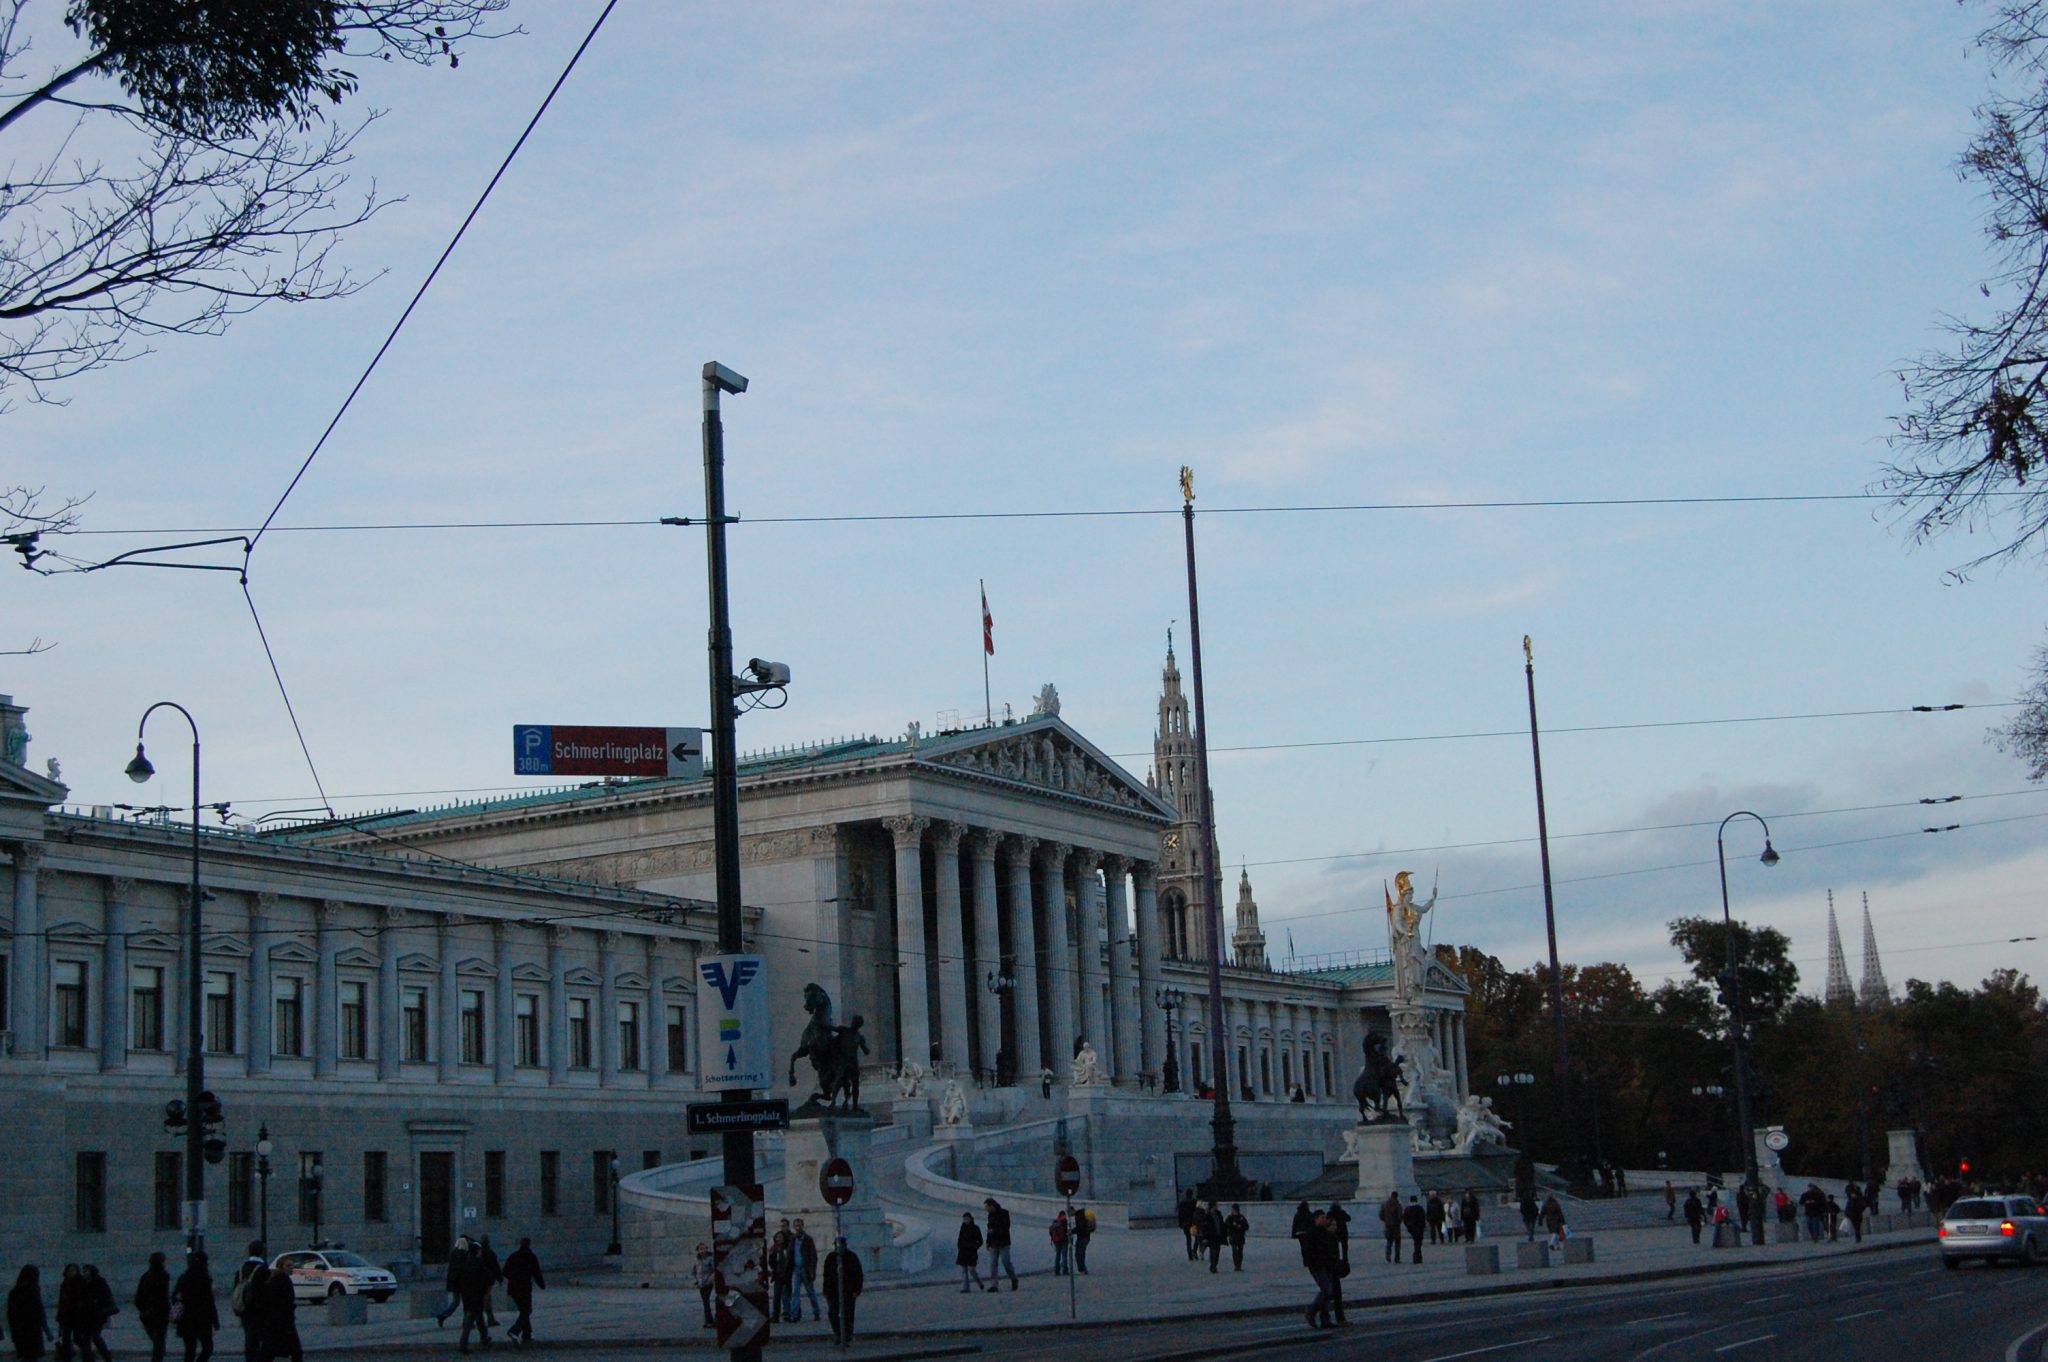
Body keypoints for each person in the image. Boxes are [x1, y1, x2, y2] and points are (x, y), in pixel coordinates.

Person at [172, 1254, 219, 1362]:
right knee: (207, 1348)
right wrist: (215, 1321)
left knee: (190, 1351)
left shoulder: (184, 1277)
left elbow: (175, 1297)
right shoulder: (205, 1278)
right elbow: (210, 1302)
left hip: (186, 1319)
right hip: (203, 1319)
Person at [1300, 1210, 1340, 1329]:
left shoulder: (1325, 1233)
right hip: (1317, 1266)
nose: (1324, 1220)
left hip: (1327, 1265)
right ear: (1316, 1219)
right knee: (1327, 1291)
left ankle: (1325, 1319)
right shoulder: (1311, 1233)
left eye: (1325, 1218)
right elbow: (1307, 1251)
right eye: (1322, 1218)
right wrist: (1312, 1262)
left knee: (1327, 1292)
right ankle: (1311, 1311)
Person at [452, 1237, 491, 1357]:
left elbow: (459, 1279)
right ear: (477, 1252)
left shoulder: (466, 1264)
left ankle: (484, 1338)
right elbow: (485, 1280)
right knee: (470, 1320)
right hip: (476, 1296)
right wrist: (484, 1293)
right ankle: (463, 1344)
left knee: (479, 1318)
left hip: (467, 1296)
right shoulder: (479, 1264)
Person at [502, 1236, 545, 1345]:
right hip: (524, 1288)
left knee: (524, 1310)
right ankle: (514, 1330)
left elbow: (505, 1271)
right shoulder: (531, 1257)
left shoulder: (513, 1256)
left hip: (513, 1288)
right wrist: (542, 1285)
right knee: (527, 1310)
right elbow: (536, 1273)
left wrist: (513, 1277)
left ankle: (527, 1334)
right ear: (529, 1245)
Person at [821, 1236, 863, 1348]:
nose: (838, 1247)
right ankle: (838, 1334)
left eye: (840, 1245)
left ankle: (847, 1336)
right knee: (833, 1313)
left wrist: (856, 1290)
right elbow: (826, 1275)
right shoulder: (830, 1257)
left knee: (848, 1314)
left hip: (848, 1291)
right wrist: (825, 1290)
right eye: (836, 1245)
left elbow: (858, 1275)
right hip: (833, 1292)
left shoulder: (852, 1257)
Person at [257, 1261, 301, 1362]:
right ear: (281, 1267)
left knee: (268, 1350)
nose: (291, 1268)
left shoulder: (273, 1279)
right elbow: (286, 1303)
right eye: (288, 1265)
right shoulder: (283, 1280)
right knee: (295, 1351)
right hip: (282, 1322)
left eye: (292, 1265)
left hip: (272, 1322)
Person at [9, 1265, 55, 1361]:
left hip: (20, 1331)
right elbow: (39, 1312)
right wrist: (47, 1331)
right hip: (32, 1331)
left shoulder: (15, 1292)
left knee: (27, 1357)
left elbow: (11, 1315)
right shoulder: (33, 1291)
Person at [229, 1247, 266, 1362]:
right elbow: (265, 1291)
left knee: (249, 1338)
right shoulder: (263, 1269)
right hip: (259, 1310)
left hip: (244, 1309)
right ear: (262, 1253)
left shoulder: (241, 1269)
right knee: (262, 1339)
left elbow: (236, 1288)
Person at [136, 1253, 173, 1362]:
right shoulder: (163, 1275)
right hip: (160, 1313)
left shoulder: (146, 1276)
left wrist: (143, 1309)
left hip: (147, 1314)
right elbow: (163, 1297)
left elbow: (138, 1297)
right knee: (159, 1343)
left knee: (157, 1341)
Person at [77, 1266, 114, 1362]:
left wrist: (96, 1302)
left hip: (97, 1314)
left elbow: (106, 1296)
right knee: (86, 1339)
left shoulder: (99, 1281)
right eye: (83, 1271)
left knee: (95, 1336)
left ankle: (106, 1356)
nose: (84, 1273)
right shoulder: (83, 1283)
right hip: (86, 1315)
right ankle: (89, 1359)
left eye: (86, 1271)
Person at [791, 1219, 822, 1321]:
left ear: (802, 1226)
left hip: (805, 1269)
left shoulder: (808, 1239)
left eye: (799, 1226)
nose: (797, 1228)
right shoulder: (793, 1239)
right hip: (796, 1269)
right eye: (796, 1226)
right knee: (795, 1292)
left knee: (810, 1292)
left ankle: (816, 1311)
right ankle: (794, 1314)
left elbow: (813, 1256)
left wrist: (812, 1271)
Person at [435, 1238, 471, 1328]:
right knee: (466, 1302)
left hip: (454, 1282)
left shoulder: (453, 1254)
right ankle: (466, 1322)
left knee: (456, 1302)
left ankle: (443, 1315)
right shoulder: (465, 1255)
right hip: (463, 1281)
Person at [983, 1198, 1017, 1290]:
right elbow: (989, 1229)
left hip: (1003, 1242)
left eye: (987, 1207)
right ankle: (994, 1285)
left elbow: (1006, 1227)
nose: (986, 1209)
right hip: (993, 1243)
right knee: (993, 1264)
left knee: (1006, 1262)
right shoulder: (990, 1215)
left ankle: (1013, 1278)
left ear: (992, 1206)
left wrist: (995, 1230)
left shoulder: (1004, 1213)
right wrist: (988, 1241)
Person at [767, 1219, 795, 1325]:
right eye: (777, 1238)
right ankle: (776, 1315)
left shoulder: (787, 1248)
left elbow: (790, 1260)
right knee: (777, 1296)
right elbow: (771, 1262)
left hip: (787, 1273)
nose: (779, 1239)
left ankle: (787, 1313)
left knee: (787, 1294)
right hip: (778, 1274)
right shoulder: (774, 1249)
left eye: (781, 1238)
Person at [53, 1266, 81, 1362]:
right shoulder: (64, 1284)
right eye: (69, 1271)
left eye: (73, 1270)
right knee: (65, 1339)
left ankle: (88, 1354)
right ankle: (67, 1358)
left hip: (76, 1315)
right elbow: (62, 1301)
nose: (71, 1273)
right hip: (66, 1316)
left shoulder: (79, 1283)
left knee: (78, 1338)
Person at [475, 1236, 503, 1328]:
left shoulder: (477, 1253)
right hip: (487, 1280)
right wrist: (499, 1278)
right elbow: (495, 1266)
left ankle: (472, 1320)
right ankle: (490, 1319)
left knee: (479, 1299)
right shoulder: (490, 1253)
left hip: (478, 1279)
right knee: (487, 1299)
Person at [955, 1213, 986, 1292]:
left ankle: (980, 1283)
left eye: (967, 1219)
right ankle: (965, 1288)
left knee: (971, 1269)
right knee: (964, 1270)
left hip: (971, 1252)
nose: (966, 1220)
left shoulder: (975, 1228)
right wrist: (959, 1246)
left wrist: (974, 1247)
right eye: (964, 1219)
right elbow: (960, 1238)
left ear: (971, 1219)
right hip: (963, 1251)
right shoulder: (962, 1228)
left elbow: (980, 1241)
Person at [691, 1244, 716, 1330]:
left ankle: (709, 1322)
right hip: (701, 1284)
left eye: (704, 1248)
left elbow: (713, 1270)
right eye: (701, 1249)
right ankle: (709, 1320)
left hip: (708, 1283)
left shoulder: (710, 1259)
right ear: (698, 1250)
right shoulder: (697, 1260)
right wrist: (696, 1280)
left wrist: (710, 1280)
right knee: (705, 1303)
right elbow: (694, 1271)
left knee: (706, 1302)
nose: (703, 1251)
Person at [1224, 1205, 1250, 1271]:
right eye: (1234, 1210)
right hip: (1233, 1237)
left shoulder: (1241, 1217)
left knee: (1240, 1252)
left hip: (1240, 1237)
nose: (1235, 1212)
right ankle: (1236, 1265)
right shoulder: (1230, 1218)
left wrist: (1240, 1226)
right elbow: (1226, 1225)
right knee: (1235, 1251)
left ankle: (1239, 1265)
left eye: (1236, 1210)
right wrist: (1233, 1226)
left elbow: (1246, 1226)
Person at [1402, 1196, 1427, 1264]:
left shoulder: (1407, 1209)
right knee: (1418, 1242)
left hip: (1411, 1228)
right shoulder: (1420, 1208)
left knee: (1416, 1242)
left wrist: (1407, 1226)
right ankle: (1417, 1256)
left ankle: (1417, 1256)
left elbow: (1404, 1219)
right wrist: (1423, 1226)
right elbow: (1423, 1218)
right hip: (1419, 1228)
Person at [1380, 1191, 1404, 1262]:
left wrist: (1386, 1220)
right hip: (1396, 1226)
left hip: (1388, 1225)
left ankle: (1388, 1255)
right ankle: (1397, 1258)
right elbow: (1400, 1216)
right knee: (1397, 1243)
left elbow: (1381, 1215)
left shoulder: (1385, 1204)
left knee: (1389, 1242)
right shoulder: (1398, 1205)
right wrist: (1398, 1221)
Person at [1071, 1204, 1094, 1274]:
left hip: (1082, 1237)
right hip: (1086, 1236)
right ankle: (1083, 1269)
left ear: (1072, 1210)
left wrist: (1071, 1231)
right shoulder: (1081, 1214)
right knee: (1082, 1253)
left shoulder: (1078, 1216)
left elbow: (1080, 1227)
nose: (1069, 1215)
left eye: (1069, 1212)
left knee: (1078, 1254)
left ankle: (1081, 1270)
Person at [1180, 1192, 1202, 1262]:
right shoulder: (1194, 1202)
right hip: (1193, 1223)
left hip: (1186, 1224)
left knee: (1188, 1240)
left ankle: (1190, 1255)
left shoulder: (1182, 1202)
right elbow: (1197, 1213)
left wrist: (1181, 1223)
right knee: (1197, 1238)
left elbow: (1180, 1214)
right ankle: (1194, 1251)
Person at [1049, 1210, 1071, 1275]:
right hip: (1064, 1240)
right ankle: (1065, 1270)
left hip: (1056, 1241)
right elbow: (1067, 1231)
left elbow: (1050, 1233)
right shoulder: (1064, 1221)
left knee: (1057, 1255)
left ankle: (1056, 1270)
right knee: (1064, 1256)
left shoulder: (1055, 1222)